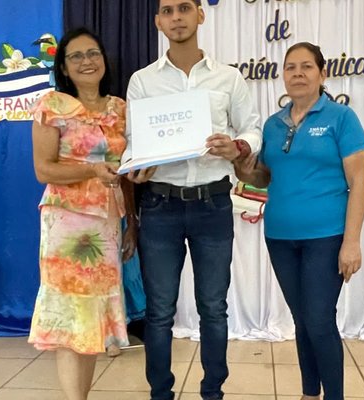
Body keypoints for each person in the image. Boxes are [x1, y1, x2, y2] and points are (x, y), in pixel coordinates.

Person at [124, 1, 262, 399]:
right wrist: (137, 166)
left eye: (185, 8)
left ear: (201, 15)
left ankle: (212, 392)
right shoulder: (143, 81)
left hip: (212, 204)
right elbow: (134, 143)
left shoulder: (229, 79)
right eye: (168, 10)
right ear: (157, 21)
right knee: (159, 312)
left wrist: (236, 146)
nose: (177, 17)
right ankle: (160, 393)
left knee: (213, 309)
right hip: (159, 205)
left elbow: (252, 130)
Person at [234, 42, 364, 400]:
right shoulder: (273, 125)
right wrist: (241, 167)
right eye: (290, 67)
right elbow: (264, 177)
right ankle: (310, 394)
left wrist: (352, 242)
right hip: (279, 236)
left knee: (320, 319)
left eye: (306, 67)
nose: (297, 74)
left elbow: (359, 182)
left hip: (327, 236)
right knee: (302, 320)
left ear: (322, 74)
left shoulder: (341, 118)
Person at [28, 27, 137, 400]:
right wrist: (91, 170)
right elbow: (44, 170)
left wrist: (131, 224)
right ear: (63, 66)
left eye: (93, 53)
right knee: (70, 315)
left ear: (104, 59)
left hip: (107, 222)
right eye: (76, 56)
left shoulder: (120, 108)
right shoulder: (52, 105)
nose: (87, 61)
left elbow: (128, 171)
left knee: (90, 321)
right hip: (66, 223)